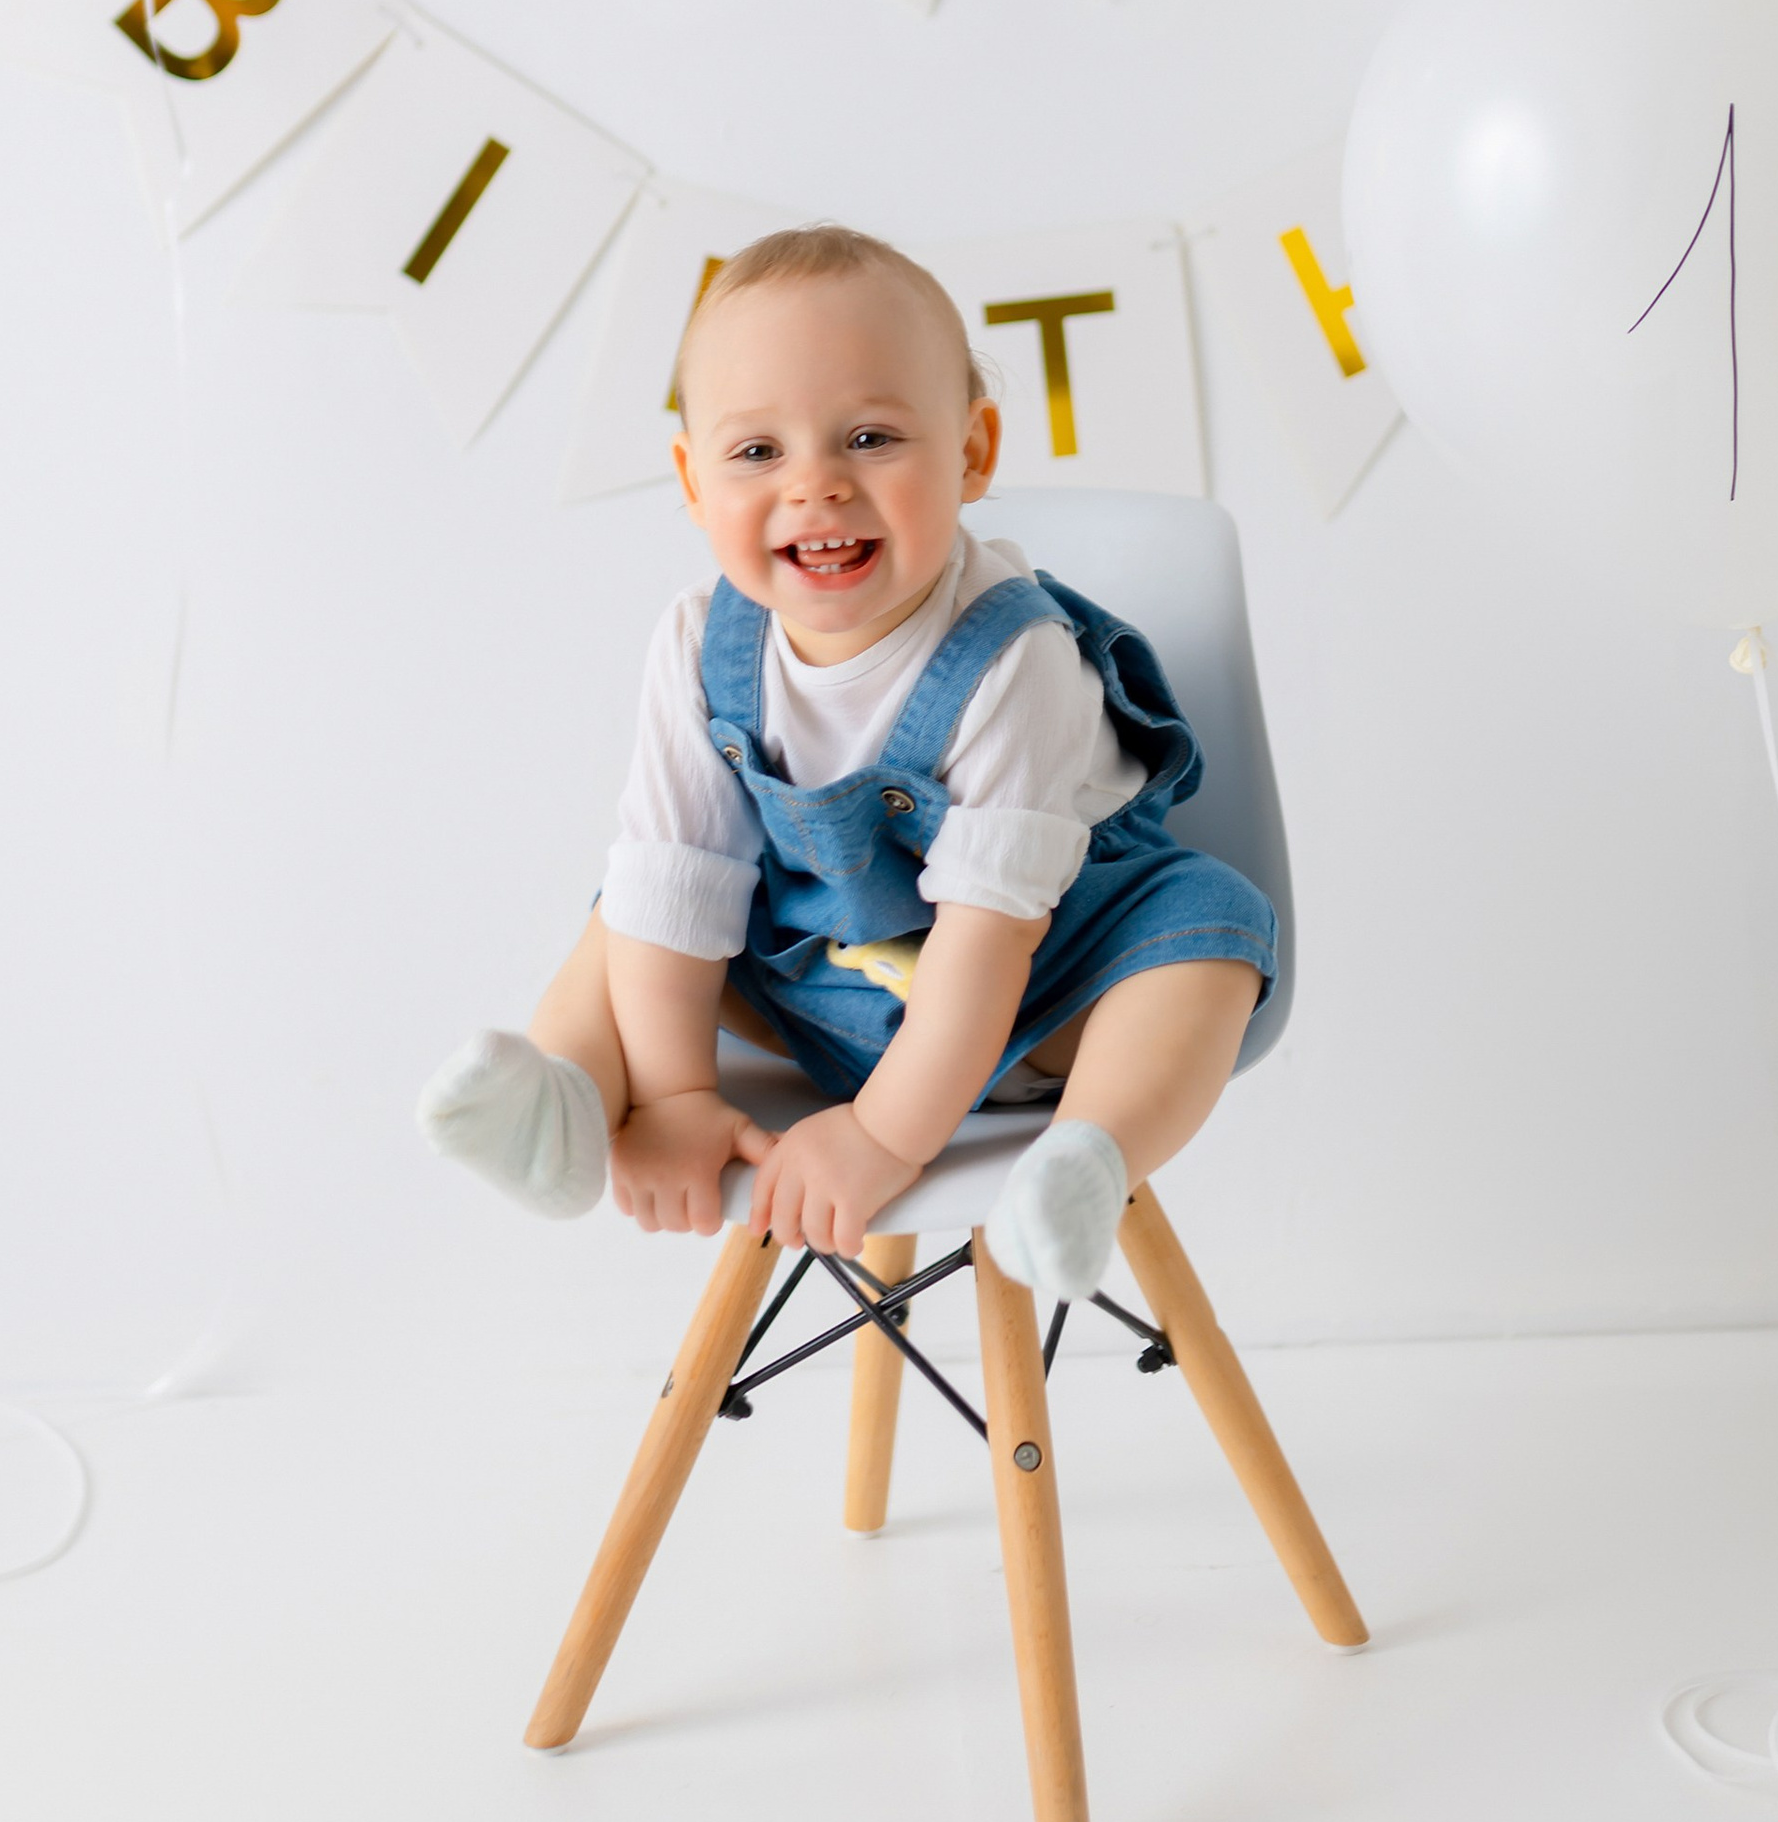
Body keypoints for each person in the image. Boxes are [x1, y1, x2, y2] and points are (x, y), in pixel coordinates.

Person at [418, 225, 1277, 1299]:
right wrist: (678, 1095)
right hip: (822, 983)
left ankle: (1086, 1159)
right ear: (692, 479)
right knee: (635, 898)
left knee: (1212, 928)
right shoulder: (699, 643)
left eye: (869, 437)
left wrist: (880, 1137)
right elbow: (675, 895)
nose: (815, 485)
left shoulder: (1015, 657)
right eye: (757, 451)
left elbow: (986, 945)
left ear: (971, 451)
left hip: (1039, 995)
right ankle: (568, 1103)